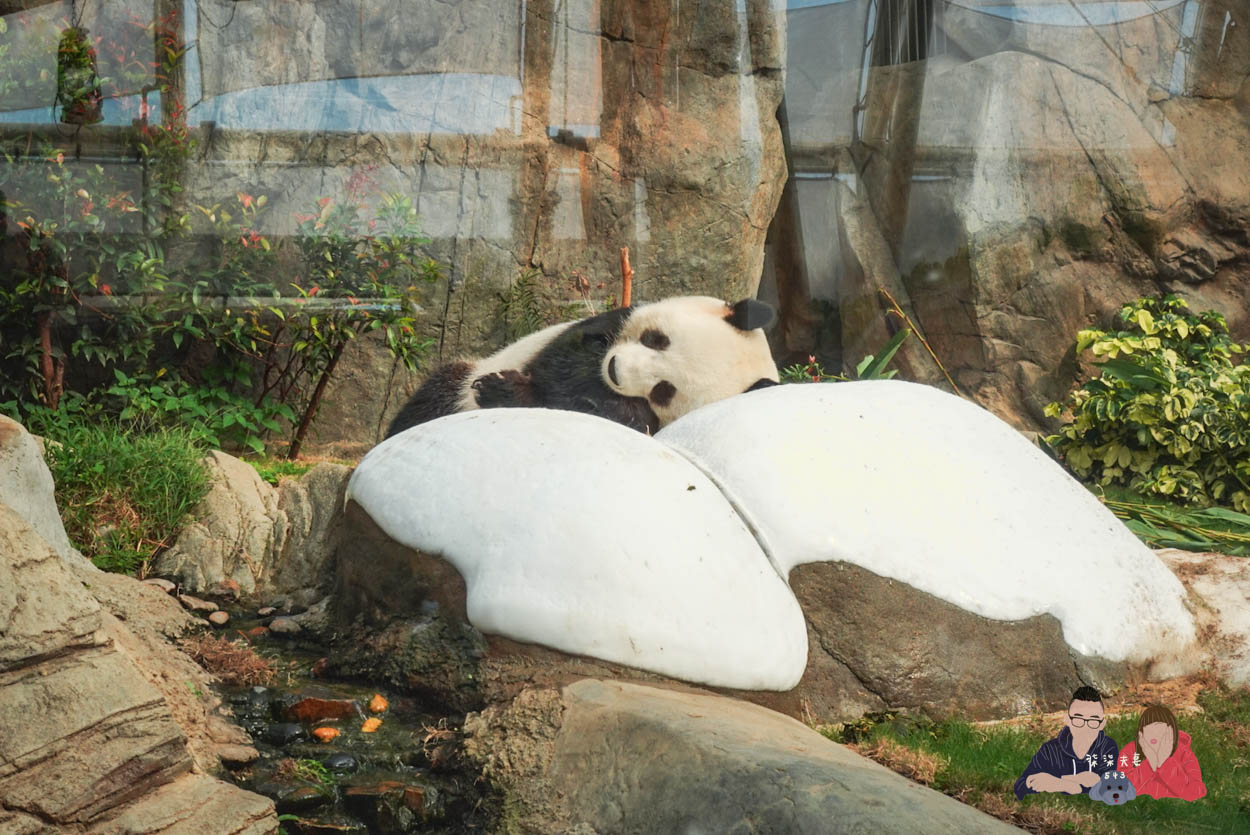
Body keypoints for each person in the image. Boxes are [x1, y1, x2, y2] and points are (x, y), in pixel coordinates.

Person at [1014, 685, 1118, 799]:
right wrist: (1066, 784)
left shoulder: (1107, 748)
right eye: (1078, 719)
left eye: (1093, 720)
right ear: (1067, 720)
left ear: (1102, 724)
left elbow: (1110, 788)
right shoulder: (1050, 750)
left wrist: (1060, 782)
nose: (1085, 727)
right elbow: (1020, 786)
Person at [1117, 704, 1206, 801]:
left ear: (1171, 732)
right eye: (1148, 729)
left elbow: (1195, 793)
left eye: (1159, 728)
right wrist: (1150, 763)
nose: (1154, 734)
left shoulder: (1184, 754)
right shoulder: (1129, 752)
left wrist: (1165, 762)